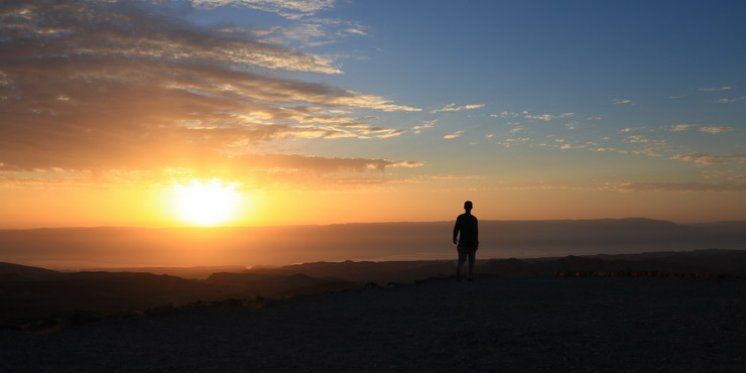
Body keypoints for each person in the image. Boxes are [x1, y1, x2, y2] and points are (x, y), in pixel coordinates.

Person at [453, 200, 478, 281]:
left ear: (464, 207)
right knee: (471, 261)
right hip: (472, 243)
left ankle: (458, 273)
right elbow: (476, 232)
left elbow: (456, 229)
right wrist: (477, 242)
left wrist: (454, 238)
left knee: (461, 260)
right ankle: (470, 277)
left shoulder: (460, 218)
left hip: (462, 243)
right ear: (471, 207)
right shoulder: (474, 219)